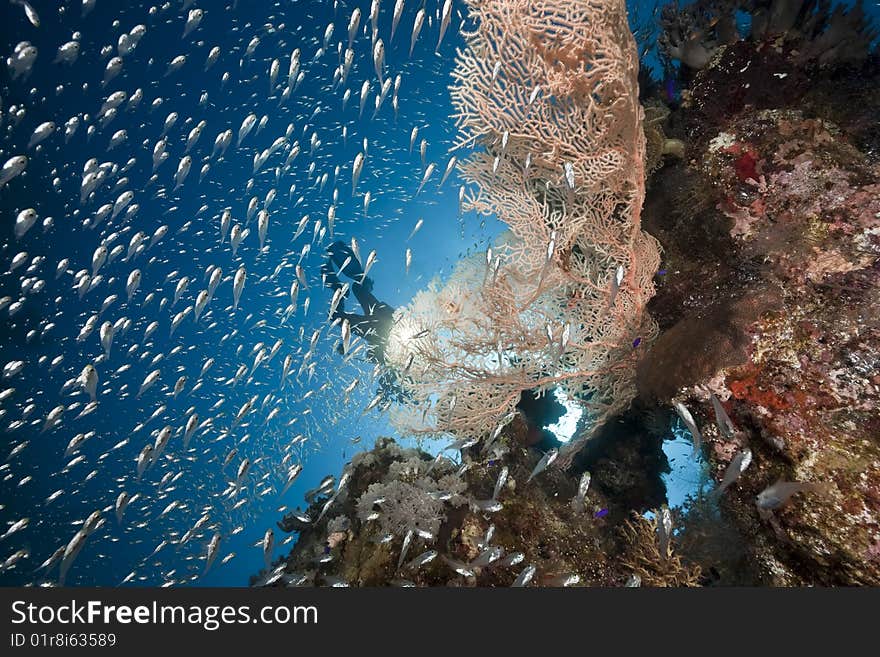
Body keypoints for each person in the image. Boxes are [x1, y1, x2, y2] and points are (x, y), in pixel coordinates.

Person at [321, 241, 396, 365]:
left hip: (377, 324)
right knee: (357, 289)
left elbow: (371, 357)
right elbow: (373, 357)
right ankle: (342, 288)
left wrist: (346, 350)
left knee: (338, 314)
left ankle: (340, 291)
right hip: (381, 322)